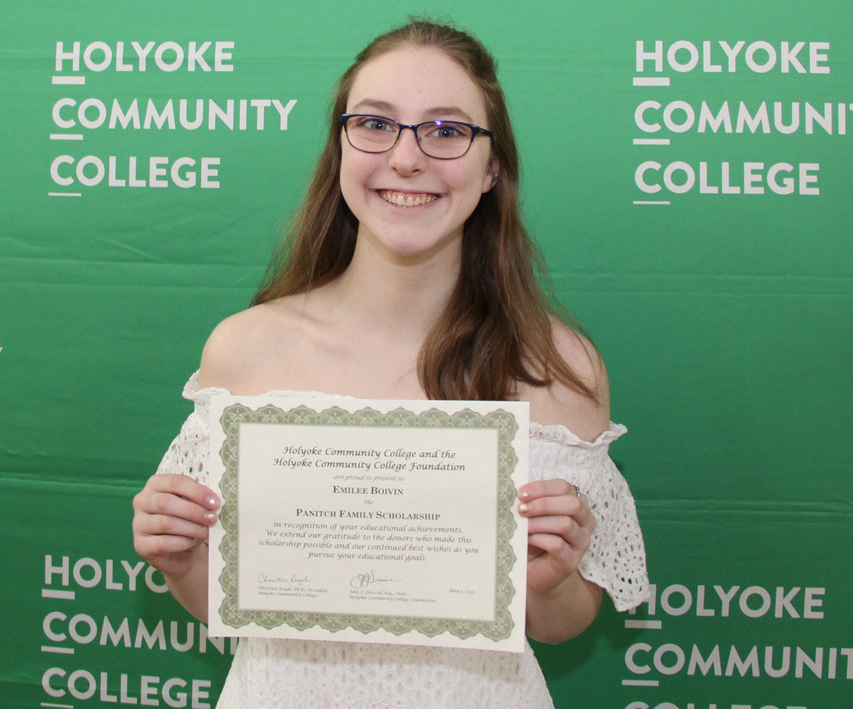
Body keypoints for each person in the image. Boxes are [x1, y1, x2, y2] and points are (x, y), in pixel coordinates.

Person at [133, 18, 648, 707]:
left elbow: (560, 624)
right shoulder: (243, 349)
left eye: (445, 130)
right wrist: (180, 559)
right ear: (341, 149)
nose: (406, 159)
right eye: (375, 124)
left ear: (492, 166)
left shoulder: (556, 366)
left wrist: (550, 578)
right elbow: (228, 604)